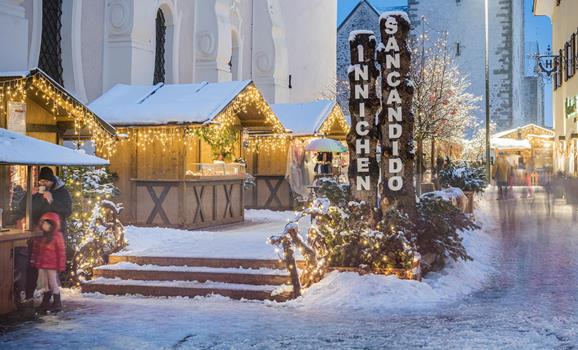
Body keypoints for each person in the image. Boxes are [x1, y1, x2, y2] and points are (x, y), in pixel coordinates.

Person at [16, 167, 72, 306]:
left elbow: (67, 211)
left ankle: (53, 298)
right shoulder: (36, 192)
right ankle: (30, 296)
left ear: (52, 181)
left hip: (54, 236)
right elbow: (22, 208)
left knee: (50, 271)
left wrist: (52, 200)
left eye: (46, 181)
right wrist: (30, 195)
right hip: (37, 234)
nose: (43, 183)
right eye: (41, 180)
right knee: (34, 265)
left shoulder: (61, 192)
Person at [30, 212, 66, 313]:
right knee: (44, 284)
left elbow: (61, 252)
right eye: (43, 224)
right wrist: (35, 261)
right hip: (42, 264)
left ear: (52, 225)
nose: (44, 226)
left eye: (47, 224)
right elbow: (36, 250)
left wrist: (61, 265)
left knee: (52, 282)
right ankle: (45, 302)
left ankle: (57, 302)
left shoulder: (57, 236)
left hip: (52, 265)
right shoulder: (41, 236)